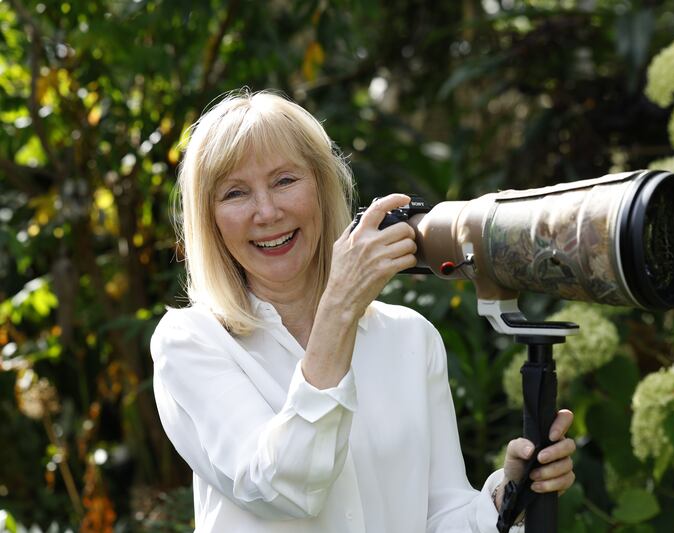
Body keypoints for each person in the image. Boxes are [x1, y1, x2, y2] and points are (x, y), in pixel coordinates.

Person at [150, 90, 576, 532]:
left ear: (320, 186)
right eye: (235, 193)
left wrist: (510, 494)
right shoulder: (191, 341)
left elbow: (439, 515)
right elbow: (279, 487)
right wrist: (340, 308)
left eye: (284, 181)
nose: (267, 211)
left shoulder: (410, 337)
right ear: (209, 219)